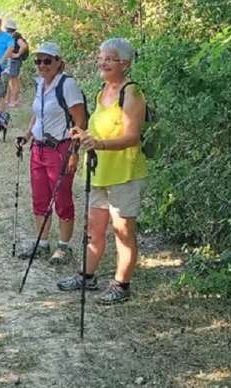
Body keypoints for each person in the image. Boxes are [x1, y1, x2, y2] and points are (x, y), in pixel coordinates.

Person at [57, 38, 148, 305]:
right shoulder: (102, 90)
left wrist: (99, 143)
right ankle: (87, 276)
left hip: (125, 174)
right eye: (101, 57)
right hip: (99, 173)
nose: (102, 62)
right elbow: (99, 129)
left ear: (125, 63)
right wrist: (83, 135)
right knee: (94, 229)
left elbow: (132, 137)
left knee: (123, 232)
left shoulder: (132, 93)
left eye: (109, 58)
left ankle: (121, 285)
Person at [14, 43, 86, 263]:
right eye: (38, 61)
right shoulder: (40, 85)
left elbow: (80, 119)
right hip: (39, 147)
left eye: (47, 61)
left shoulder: (67, 85)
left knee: (62, 196)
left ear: (58, 62)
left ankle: (64, 247)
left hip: (60, 147)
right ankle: (42, 243)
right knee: (40, 196)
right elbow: (38, 115)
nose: (42, 65)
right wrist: (27, 136)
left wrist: (74, 152)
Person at [5, 19, 29, 108]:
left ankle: (14, 100)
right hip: (12, 61)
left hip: (15, 61)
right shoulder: (13, 36)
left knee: (14, 81)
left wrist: (17, 54)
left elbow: (24, 46)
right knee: (11, 80)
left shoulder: (16, 37)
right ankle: (9, 99)